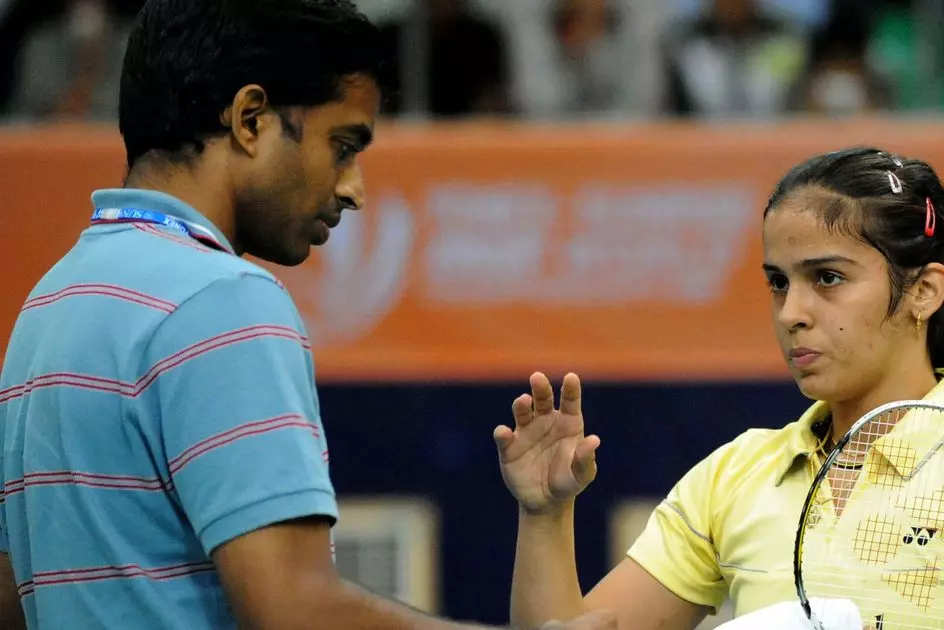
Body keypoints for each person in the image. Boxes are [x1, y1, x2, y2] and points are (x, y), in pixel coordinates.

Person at [0, 2, 615, 630]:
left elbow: (13, 597)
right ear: (249, 120)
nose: (354, 189)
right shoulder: (225, 300)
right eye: (342, 145)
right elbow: (292, 608)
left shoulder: (49, 304)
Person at [494, 148, 944, 629]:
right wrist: (545, 517)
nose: (791, 311)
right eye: (778, 281)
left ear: (923, 290)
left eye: (827, 278)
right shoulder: (732, 476)